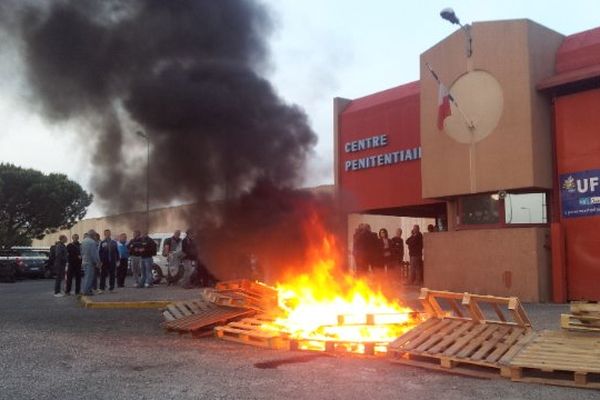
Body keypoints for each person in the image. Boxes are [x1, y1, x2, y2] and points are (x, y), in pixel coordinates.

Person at [98, 229, 119, 293]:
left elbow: (116, 251)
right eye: (106, 233)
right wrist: (100, 261)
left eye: (108, 233)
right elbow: (100, 252)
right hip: (104, 261)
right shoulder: (102, 242)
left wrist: (118, 260)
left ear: (110, 234)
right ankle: (101, 288)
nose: (107, 234)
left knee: (112, 275)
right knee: (103, 275)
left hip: (112, 261)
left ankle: (111, 288)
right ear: (104, 234)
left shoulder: (114, 242)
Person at [81, 230, 100, 296]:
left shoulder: (83, 241)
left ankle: (85, 290)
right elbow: (93, 254)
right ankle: (87, 291)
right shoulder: (92, 242)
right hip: (90, 262)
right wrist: (97, 262)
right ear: (92, 235)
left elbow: (81, 252)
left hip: (84, 261)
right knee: (89, 277)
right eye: (94, 235)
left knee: (86, 276)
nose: (95, 236)